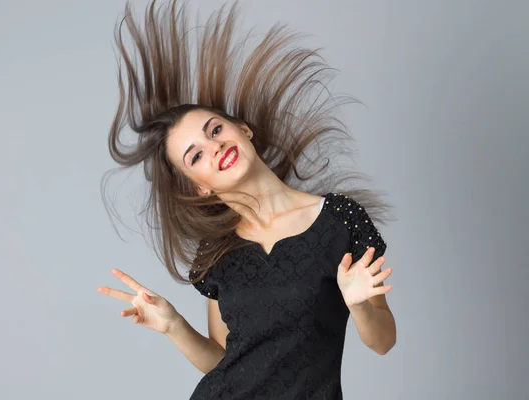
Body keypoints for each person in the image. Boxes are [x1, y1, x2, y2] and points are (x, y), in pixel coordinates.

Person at [97, 0, 397, 398]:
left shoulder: (340, 219)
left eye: (215, 129)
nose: (214, 146)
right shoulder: (215, 253)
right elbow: (226, 362)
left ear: (243, 129)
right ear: (198, 186)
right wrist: (173, 325)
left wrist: (358, 303)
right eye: (196, 155)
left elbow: (383, 341)